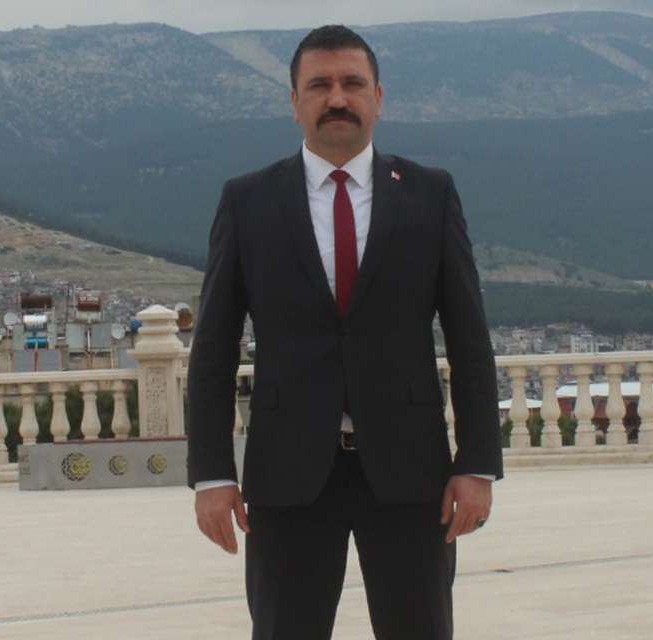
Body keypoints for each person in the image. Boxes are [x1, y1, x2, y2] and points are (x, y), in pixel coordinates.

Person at [186, 24, 502, 640]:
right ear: (294, 101)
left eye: (352, 83)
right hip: (287, 475)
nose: (337, 98)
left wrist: (478, 464)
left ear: (377, 98)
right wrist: (213, 474)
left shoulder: (431, 195)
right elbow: (214, 350)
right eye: (319, 85)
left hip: (412, 474)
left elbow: (470, 341)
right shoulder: (247, 202)